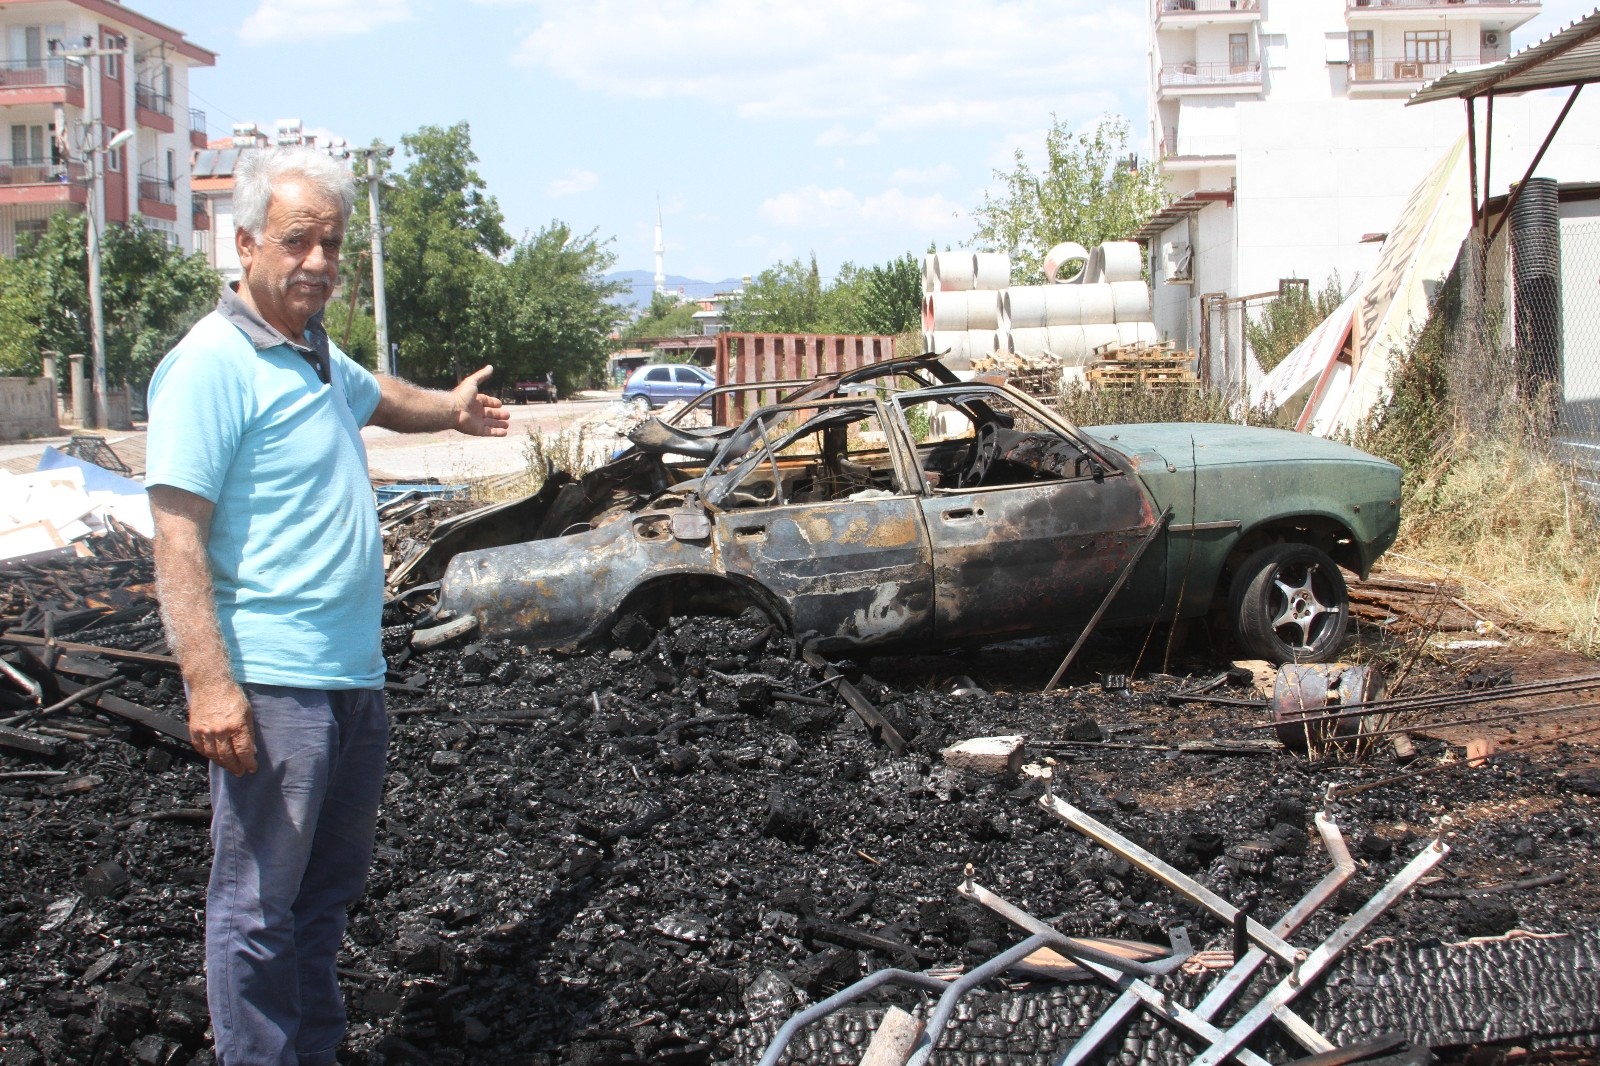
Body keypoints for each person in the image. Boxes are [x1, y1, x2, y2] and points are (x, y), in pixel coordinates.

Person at [145, 145, 510, 1065]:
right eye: (298, 241)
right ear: (245, 244)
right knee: (257, 907)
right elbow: (177, 538)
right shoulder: (210, 364)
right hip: (272, 682)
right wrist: (210, 687)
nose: (318, 262)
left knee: (323, 895)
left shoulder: (310, 353)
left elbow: (377, 394)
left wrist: (452, 412)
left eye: (332, 244)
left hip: (350, 675)